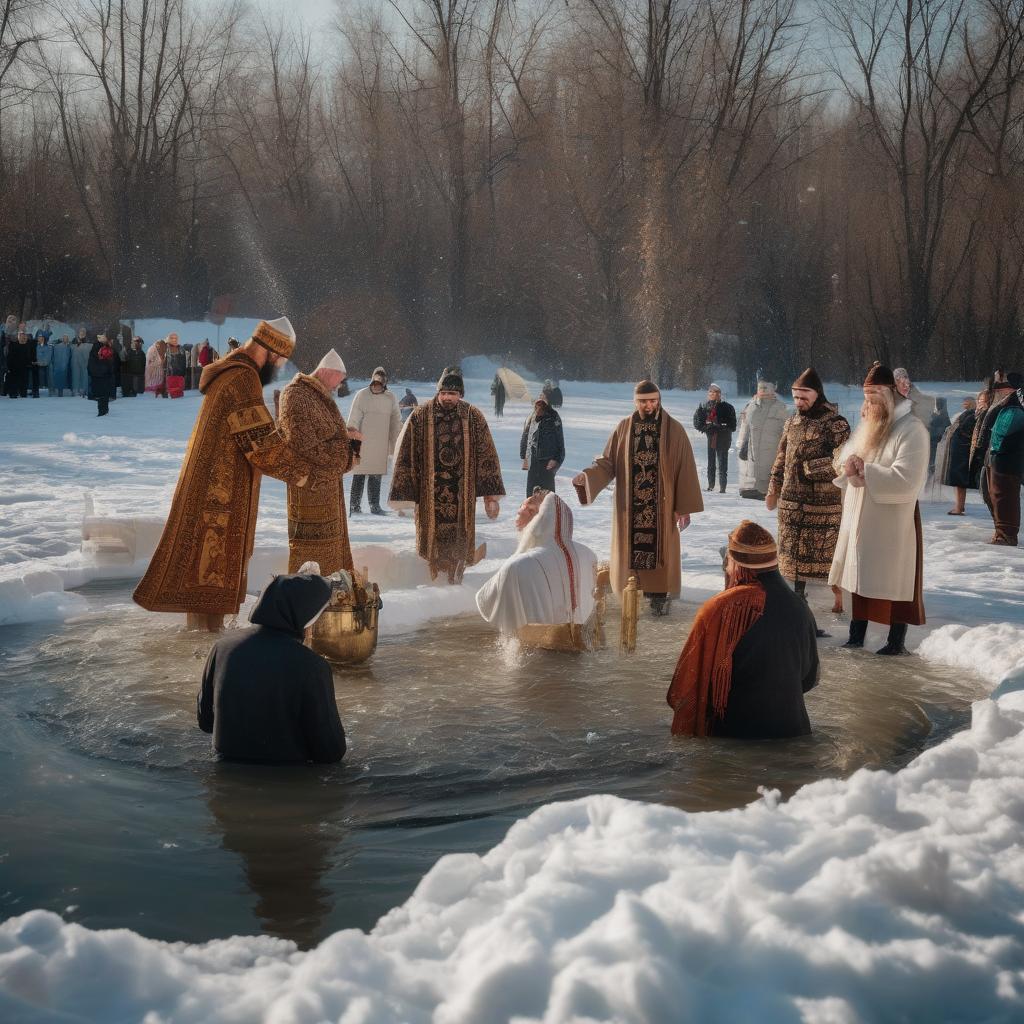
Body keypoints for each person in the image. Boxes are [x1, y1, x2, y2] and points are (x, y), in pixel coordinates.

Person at [134, 317, 324, 631]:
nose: (277, 367)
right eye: (278, 360)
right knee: (212, 570)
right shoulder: (242, 380)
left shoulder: (229, 372)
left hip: (210, 484)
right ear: (268, 350)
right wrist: (304, 474)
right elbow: (261, 443)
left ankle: (203, 637)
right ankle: (208, 648)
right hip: (219, 493)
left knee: (202, 576)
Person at [666, 521, 818, 738]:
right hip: (794, 731)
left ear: (738, 565)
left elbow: (690, 684)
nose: (726, 569)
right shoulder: (800, 606)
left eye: (727, 562)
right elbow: (808, 677)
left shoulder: (721, 607)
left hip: (735, 735)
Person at [572, 380, 703, 616]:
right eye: (643, 402)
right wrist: (587, 477)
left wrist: (684, 506)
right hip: (630, 510)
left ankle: (659, 599)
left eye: (653, 401)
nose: (648, 406)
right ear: (636, 402)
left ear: (659, 400)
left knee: (660, 559)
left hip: (661, 510)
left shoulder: (674, 430)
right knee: (630, 563)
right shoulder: (623, 428)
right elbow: (607, 463)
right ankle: (632, 598)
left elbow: (686, 469)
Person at [830, 363, 930, 655]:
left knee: (896, 579)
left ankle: (896, 641)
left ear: (890, 394)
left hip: (891, 521)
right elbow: (846, 459)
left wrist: (868, 471)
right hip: (861, 515)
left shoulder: (912, 430)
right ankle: (856, 634)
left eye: (875, 395)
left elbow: (908, 480)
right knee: (859, 577)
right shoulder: (869, 426)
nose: (869, 402)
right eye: (866, 395)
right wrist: (848, 467)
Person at [197, 572, 346, 764]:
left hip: (223, 775)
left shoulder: (221, 648)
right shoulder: (312, 666)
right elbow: (331, 752)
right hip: (287, 782)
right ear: (304, 615)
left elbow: (206, 723)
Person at [389, 366, 505, 583]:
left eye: (452, 394)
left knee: (459, 543)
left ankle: (457, 574)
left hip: (462, 495)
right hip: (429, 496)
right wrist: (403, 492)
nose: (447, 398)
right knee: (431, 543)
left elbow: (487, 455)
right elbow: (407, 453)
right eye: (443, 393)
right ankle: (433, 578)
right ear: (438, 392)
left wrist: (491, 496)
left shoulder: (473, 416)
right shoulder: (421, 415)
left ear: (460, 394)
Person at [767, 368, 850, 619]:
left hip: (822, 504)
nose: (799, 402)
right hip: (792, 500)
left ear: (817, 395)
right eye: (795, 397)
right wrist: (774, 488)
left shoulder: (836, 423)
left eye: (804, 397)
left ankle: (838, 595)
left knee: (824, 554)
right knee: (793, 556)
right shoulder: (792, 421)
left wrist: (810, 467)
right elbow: (781, 455)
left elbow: (845, 458)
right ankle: (797, 599)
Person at [278, 349, 359, 574]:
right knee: (309, 557)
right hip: (308, 491)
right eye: (337, 379)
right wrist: (345, 454)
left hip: (327, 489)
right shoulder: (296, 395)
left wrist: (346, 438)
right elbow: (302, 443)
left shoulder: (317, 396)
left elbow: (327, 436)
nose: (338, 385)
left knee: (331, 554)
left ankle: (330, 601)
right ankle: (304, 603)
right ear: (324, 371)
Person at [476, 489, 597, 634]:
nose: (519, 512)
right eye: (522, 506)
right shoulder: (589, 555)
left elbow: (486, 600)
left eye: (529, 509)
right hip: (583, 641)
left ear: (541, 517)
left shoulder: (517, 565)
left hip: (537, 647)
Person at [348, 366, 402, 516]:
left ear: (385, 383)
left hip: (380, 441)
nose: (378, 384)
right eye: (376, 380)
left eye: (381, 381)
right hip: (363, 441)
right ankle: (354, 505)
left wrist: (397, 440)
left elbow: (396, 421)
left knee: (376, 474)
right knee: (359, 473)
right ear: (372, 380)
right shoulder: (362, 395)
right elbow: (354, 416)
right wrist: (352, 433)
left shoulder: (390, 398)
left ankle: (374, 505)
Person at [736, 379, 788, 499]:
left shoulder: (780, 407)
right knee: (754, 469)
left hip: (772, 448)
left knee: (769, 469)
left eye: (766, 388)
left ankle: (769, 490)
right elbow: (745, 427)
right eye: (761, 388)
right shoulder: (751, 406)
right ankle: (756, 489)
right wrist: (742, 444)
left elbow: (786, 431)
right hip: (754, 449)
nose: (763, 390)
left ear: (773, 389)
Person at [986, 383, 1023, 546]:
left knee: (1005, 497)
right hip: (1001, 458)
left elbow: (1003, 432)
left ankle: (1007, 534)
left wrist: (997, 448)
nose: (998, 393)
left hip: (1007, 460)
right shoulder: (1006, 407)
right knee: (998, 495)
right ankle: (1001, 532)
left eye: (1001, 390)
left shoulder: (1013, 409)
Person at [693, 383, 737, 493]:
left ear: (721, 394)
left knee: (722, 463)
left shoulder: (728, 407)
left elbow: (733, 425)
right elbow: (697, 423)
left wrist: (721, 426)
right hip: (711, 437)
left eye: (717, 392)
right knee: (711, 463)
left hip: (724, 438)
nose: (714, 394)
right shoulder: (703, 407)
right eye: (712, 392)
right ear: (708, 393)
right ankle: (711, 485)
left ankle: (723, 488)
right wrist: (708, 427)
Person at [520, 395, 565, 495]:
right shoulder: (531, 417)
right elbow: (526, 435)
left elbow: (560, 442)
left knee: (547, 499)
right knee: (531, 498)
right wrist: (524, 455)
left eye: (542, 403)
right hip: (533, 463)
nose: (539, 406)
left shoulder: (553, 417)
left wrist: (557, 460)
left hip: (548, 463)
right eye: (537, 403)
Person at [939, 397, 977, 515]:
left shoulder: (971, 415)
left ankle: (959, 507)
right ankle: (959, 506)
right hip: (958, 451)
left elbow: (964, 431)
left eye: (966, 401)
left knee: (959, 481)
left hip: (962, 452)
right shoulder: (967, 414)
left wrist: (956, 434)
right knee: (958, 482)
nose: (963, 403)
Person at [87, 335, 117, 416]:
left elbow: (91, 366)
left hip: (100, 376)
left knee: (102, 396)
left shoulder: (101, 350)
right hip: (102, 376)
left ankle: (103, 411)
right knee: (103, 395)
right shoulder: (101, 349)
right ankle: (103, 411)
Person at [5, 329, 32, 398]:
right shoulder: (13, 344)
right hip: (14, 367)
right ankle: (13, 393)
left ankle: (23, 393)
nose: (22, 337)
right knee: (14, 381)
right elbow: (9, 356)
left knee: (24, 380)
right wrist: (9, 366)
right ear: (18, 337)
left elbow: (29, 356)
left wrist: (29, 364)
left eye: (23, 336)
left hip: (24, 366)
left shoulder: (27, 345)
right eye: (20, 336)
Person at [927, 397, 950, 474]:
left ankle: (931, 469)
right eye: (937, 402)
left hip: (936, 442)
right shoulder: (941, 414)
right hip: (933, 441)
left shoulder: (943, 415)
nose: (937, 404)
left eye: (938, 403)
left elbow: (943, 427)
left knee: (932, 460)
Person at [71, 329, 92, 396]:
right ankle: (76, 390)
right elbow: (71, 348)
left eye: (83, 332)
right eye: (80, 332)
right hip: (76, 360)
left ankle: (84, 390)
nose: (82, 333)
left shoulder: (88, 340)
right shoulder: (74, 340)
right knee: (76, 375)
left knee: (84, 375)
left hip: (85, 360)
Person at [34, 331, 53, 396]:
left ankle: (51, 390)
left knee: (50, 370)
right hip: (38, 364)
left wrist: (43, 363)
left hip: (45, 364)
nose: (40, 339)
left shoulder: (49, 347)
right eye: (39, 337)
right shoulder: (35, 346)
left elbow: (48, 356)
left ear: (44, 338)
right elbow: (36, 355)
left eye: (41, 337)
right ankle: (35, 390)